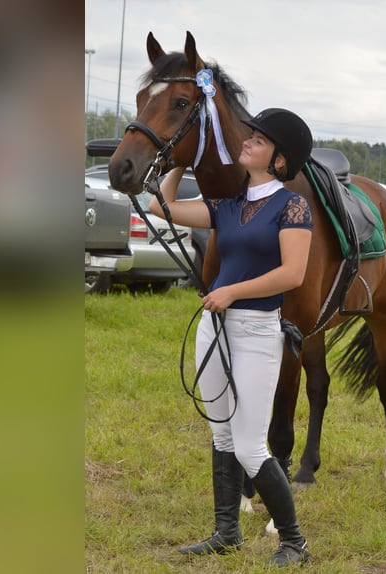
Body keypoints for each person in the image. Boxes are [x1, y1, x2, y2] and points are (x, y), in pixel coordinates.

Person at [148, 108, 313, 567]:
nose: (248, 142)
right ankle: (226, 532)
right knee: (221, 435)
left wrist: (230, 291)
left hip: (258, 331)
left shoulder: (291, 206)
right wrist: (178, 161)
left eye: (259, 141)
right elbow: (163, 208)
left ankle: (294, 541)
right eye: (251, 136)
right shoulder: (229, 207)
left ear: (279, 160)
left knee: (248, 445)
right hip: (214, 329)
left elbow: (293, 273)